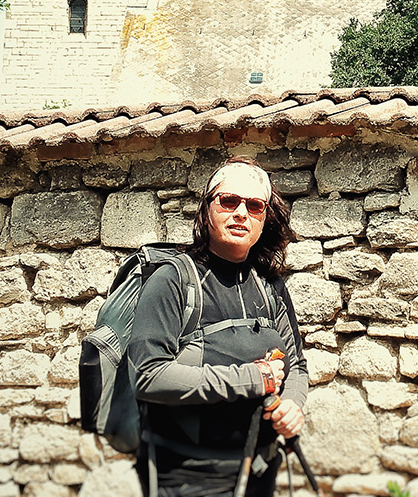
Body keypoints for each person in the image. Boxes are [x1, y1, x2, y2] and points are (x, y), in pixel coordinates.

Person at [127, 158, 310, 497]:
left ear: (264, 218)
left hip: (258, 470)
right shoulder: (174, 280)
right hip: (189, 477)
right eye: (229, 201)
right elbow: (148, 375)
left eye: (255, 205)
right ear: (207, 209)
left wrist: (293, 404)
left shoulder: (269, 285)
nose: (241, 213)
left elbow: (295, 364)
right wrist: (252, 379)